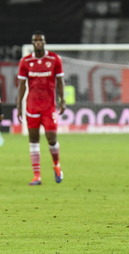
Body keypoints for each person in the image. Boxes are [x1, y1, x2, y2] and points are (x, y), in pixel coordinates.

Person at [17, 31, 66, 185]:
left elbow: (60, 81)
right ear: (32, 43)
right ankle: (37, 176)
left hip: (49, 106)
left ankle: (56, 165)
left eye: (41, 40)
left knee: (52, 139)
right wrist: (19, 105)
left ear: (44, 42)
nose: (38, 42)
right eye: (35, 40)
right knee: (33, 139)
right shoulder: (25, 61)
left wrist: (62, 100)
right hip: (32, 106)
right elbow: (21, 85)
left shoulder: (54, 59)